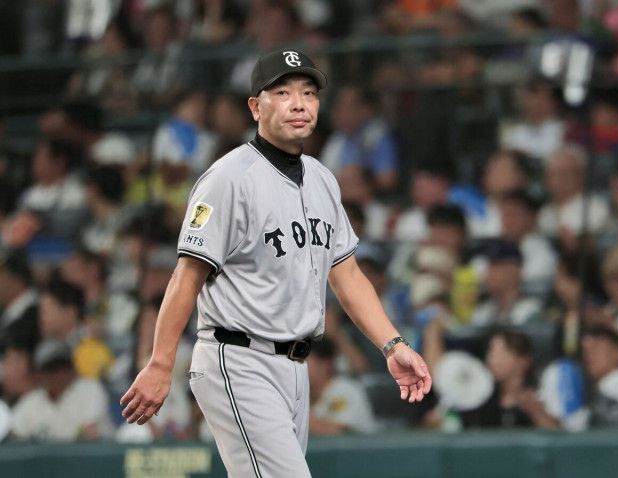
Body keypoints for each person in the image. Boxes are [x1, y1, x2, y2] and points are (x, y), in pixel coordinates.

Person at [120, 49, 431, 478]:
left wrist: (393, 345)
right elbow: (186, 278)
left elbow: (347, 276)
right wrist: (160, 364)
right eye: (283, 93)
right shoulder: (228, 179)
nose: (299, 104)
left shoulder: (322, 179)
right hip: (239, 358)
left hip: (296, 368)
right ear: (255, 107)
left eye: (308, 93)